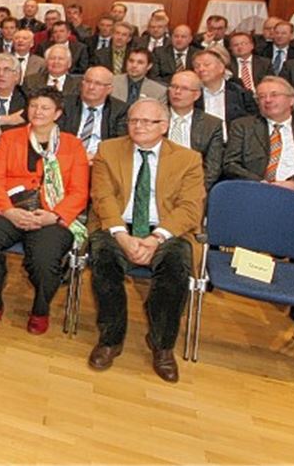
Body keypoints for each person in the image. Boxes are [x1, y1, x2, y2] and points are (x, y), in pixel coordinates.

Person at [87, 99, 205, 383]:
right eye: (133, 121)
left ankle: (162, 344)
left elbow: (189, 208)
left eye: (146, 122)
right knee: (104, 259)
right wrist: (122, 236)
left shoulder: (188, 159)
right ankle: (111, 338)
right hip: (117, 224)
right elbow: (102, 197)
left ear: (164, 126)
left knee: (176, 266)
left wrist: (155, 238)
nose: (138, 126)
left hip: (165, 229)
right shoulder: (108, 150)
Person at [0, 87, 90, 336]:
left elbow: (79, 191)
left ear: (57, 113)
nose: (37, 112)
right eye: (34, 106)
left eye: (45, 108)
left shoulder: (72, 145)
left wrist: (55, 216)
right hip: (11, 209)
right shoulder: (10, 138)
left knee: (45, 258)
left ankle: (41, 307)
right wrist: (7, 211)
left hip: (51, 213)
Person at [223, 76, 294, 245]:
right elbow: (230, 164)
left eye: (274, 94)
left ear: (292, 100)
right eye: (261, 96)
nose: (267, 100)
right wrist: (260, 182)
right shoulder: (243, 126)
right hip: (257, 188)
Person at [167, 70, 224, 190]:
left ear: (197, 95)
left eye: (184, 88)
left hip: (193, 187)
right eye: (174, 87)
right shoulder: (154, 117)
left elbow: (212, 169)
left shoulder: (211, 125)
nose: (177, 92)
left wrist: (194, 191)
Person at [59, 66, 129, 158]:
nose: (91, 87)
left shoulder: (120, 110)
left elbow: (119, 143)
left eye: (98, 84)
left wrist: (97, 157)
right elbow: (57, 137)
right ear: (82, 83)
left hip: (102, 160)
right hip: (68, 157)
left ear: (109, 89)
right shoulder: (65, 104)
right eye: (88, 81)